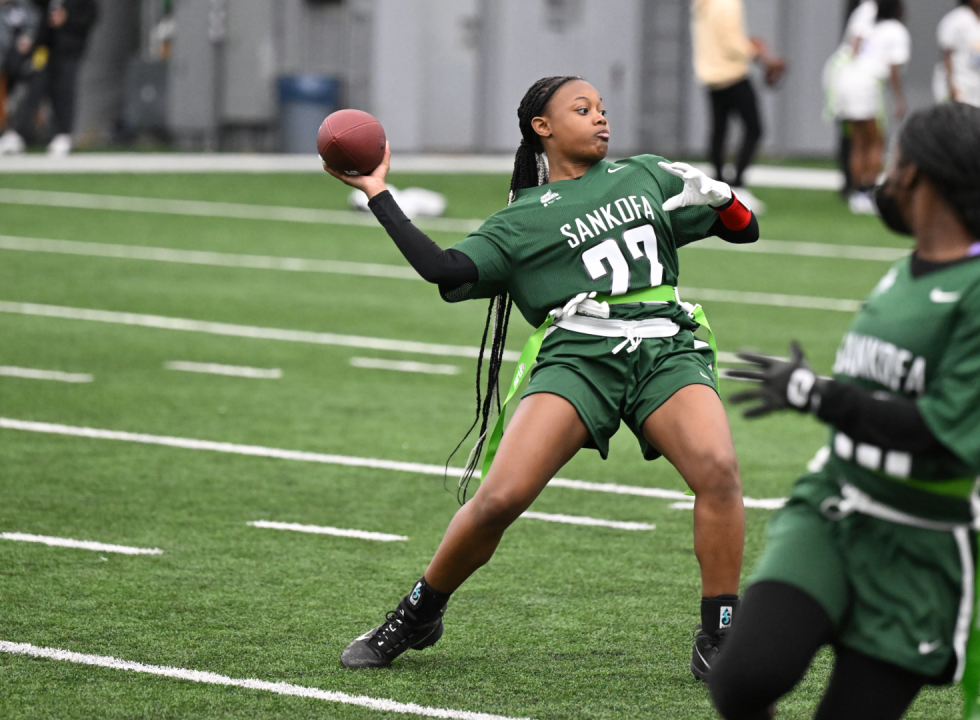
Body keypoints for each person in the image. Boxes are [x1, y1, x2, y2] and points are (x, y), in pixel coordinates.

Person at [323, 76, 760, 679]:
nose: (602, 118)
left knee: (718, 472)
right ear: (543, 128)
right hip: (579, 355)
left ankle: (720, 633)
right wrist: (378, 192)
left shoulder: (647, 175)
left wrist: (722, 198)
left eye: (603, 109)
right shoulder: (521, 218)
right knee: (500, 498)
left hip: (664, 345)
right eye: (583, 110)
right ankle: (419, 611)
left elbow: (744, 230)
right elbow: (440, 268)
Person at [708, 102, 980, 720]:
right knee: (743, 680)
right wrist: (824, 395)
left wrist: (818, 394)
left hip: (919, 539)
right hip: (832, 508)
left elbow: (941, 434)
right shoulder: (903, 271)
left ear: (920, 172)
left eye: (894, 160)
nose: (884, 174)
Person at [692, 0, 786, 215]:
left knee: (719, 132)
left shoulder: (703, 4)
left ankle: (717, 188)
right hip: (733, 75)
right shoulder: (728, 3)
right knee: (754, 128)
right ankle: (737, 185)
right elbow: (732, 43)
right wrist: (759, 54)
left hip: (711, 76)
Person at [826, 0, 909, 215]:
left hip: (847, 78)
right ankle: (869, 190)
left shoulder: (865, 15)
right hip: (869, 85)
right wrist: (899, 99)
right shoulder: (896, 31)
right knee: (875, 141)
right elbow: (893, 69)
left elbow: (853, 46)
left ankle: (858, 191)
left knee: (858, 141)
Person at [0, 0, 98, 157]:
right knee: (35, 86)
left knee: (64, 90)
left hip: (70, 48)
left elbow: (91, 15)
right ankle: (19, 134)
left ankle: (63, 135)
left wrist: (68, 17)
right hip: (46, 46)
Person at [933, 0, 980, 109]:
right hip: (958, 81)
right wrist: (951, 86)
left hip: (978, 82)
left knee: (975, 120)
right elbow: (946, 54)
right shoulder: (955, 20)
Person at [0, 0, 40, 123]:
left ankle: (16, 97)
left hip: (24, 54)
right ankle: (14, 96)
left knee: (36, 64)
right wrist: (15, 44)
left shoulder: (23, 6)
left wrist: (27, 39)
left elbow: (35, 26)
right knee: (19, 62)